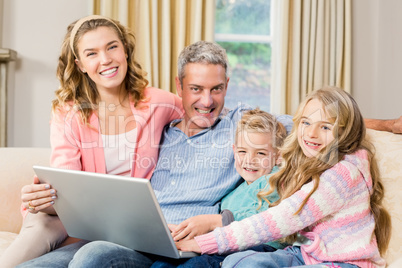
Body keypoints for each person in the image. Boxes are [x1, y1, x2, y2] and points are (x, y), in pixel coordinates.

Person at [16, 41, 293, 267]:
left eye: (216, 89)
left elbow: (298, 129)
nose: (207, 101)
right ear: (179, 86)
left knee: (92, 257)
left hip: (184, 245)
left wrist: (283, 146)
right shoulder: (160, 126)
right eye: (196, 89)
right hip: (135, 235)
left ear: (227, 86)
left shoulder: (238, 125)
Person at [0, 15, 183, 268]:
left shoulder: (161, 103)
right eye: (92, 53)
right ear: (80, 64)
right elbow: (68, 191)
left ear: (125, 51)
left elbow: (209, 122)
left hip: (131, 231)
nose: (106, 59)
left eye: (112, 47)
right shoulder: (67, 113)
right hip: (75, 228)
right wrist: (41, 200)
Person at [177, 87, 392, 268]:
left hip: (342, 263)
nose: (311, 134)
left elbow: (283, 218)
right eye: (306, 123)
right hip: (308, 254)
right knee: (237, 261)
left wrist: (207, 243)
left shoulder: (344, 175)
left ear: (345, 133)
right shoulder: (313, 158)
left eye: (325, 127)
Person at [151, 108, 288, 268]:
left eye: (261, 154)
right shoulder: (233, 191)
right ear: (234, 151)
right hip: (224, 245)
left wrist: (217, 221)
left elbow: (264, 217)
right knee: (162, 264)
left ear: (278, 156)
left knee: (196, 265)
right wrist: (185, 231)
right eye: (243, 151)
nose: (250, 160)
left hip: (260, 247)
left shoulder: (275, 180)